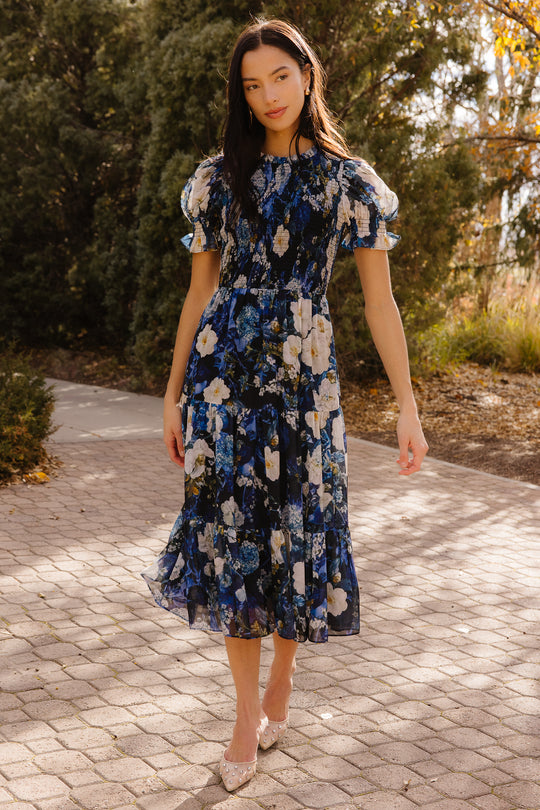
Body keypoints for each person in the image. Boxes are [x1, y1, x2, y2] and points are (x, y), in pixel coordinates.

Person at [142, 17, 428, 792]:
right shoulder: (218, 177)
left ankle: (283, 679)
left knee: (297, 538)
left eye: (279, 77)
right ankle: (243, 715)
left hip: (305, 394)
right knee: (235, 542)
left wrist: (408, 407)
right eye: (251, 85)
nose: (267, 95)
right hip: (225, 387)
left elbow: (379, 306)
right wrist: (171, 397)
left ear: (308, 74)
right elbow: (199, 292)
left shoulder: (349, 182)